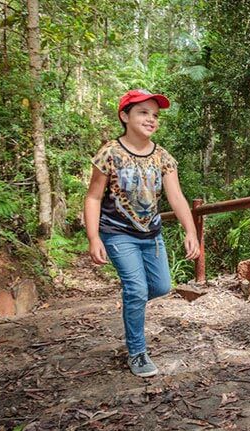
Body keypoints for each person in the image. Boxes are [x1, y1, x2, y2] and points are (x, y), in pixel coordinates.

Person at [84, 89, 200, 377]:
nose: (151, 119)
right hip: (117, 232)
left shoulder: (162, 157)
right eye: (143, 112)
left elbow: (176, 197)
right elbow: (93, 197)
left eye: (155, 115)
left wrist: (190, 231)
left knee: (160, 287)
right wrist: (93, 237)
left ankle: (131, 303)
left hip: (152, 234)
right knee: (136, 289)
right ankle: (137, 352)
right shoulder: (109, 153)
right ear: (125, 116)